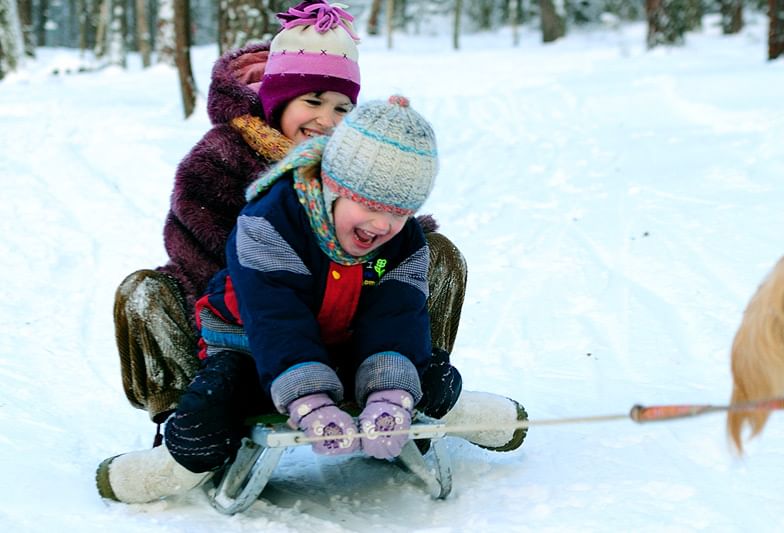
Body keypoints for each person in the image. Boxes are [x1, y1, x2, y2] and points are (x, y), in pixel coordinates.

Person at [97, 97, 528, 505]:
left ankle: (456, 409)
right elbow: (275, 319)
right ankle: (175, 466)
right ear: (331, 186)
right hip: (250, 343)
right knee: (213, 403)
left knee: (426, 370)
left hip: (343, 341)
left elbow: (396, 313)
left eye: (399, 213)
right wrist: (310, 400)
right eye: (369, 206)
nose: (383, 225)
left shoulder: (403, 240)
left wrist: (391, 393)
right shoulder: (269, 222)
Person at [112, 0, 467, 437]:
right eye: (312, 101)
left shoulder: (361, 163)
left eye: (341, 108)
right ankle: (185, 416)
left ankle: (407, 383)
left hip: (351, 320)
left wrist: (385, 246)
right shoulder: (221, 158)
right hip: (243, 323)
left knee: (434, 255)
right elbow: (199, 252)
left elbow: (391, 244)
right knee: (145, 292)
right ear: (277, 101)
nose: (325, 119)